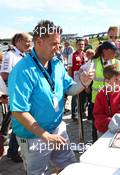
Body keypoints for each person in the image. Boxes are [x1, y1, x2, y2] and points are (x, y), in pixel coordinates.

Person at [8, 20, 94, 174]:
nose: (58, 48)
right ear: (39, 42)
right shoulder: (23, 70)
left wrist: (82, 83)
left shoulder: (56, 63)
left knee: (69, 167)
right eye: (54, 44)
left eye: (59, 44)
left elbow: (70, 89)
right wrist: (45, 135)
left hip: (57, 129)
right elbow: (19, 112)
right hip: (33, 137)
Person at [80, 41, 120, 142]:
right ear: (104, 51)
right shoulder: (94, 62)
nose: (115, 53)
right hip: (97, 100)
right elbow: (82, 70)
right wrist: (84, 78)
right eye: (113, 51)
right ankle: (95, 144)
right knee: (97, 126)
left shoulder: (117, 62)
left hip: (114, 100)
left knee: (114, 124)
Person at [0, 33, 32, 163]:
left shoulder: (22, 55)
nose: (29, 44)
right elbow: (5, 75)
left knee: (20, 122)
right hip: (16, 96)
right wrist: (11, 94)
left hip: (23, 95)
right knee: (20, 122)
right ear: (19, 41)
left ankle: (13, 151)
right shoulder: (10, 55)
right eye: (27, 41)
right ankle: (13, 152)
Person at [93, 64, 120, 136]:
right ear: (108, 81)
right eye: (116, 79)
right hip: (104, 130)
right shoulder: (101, 95)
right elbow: (98, 115)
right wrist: (112, 121)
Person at [68, 38, 88, 121]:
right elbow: (70, 68)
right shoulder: (72, 55)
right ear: (76, 45)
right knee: (75, 97)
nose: (81, 46)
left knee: (84, 96)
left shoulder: (85, 54)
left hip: (84, 79)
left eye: (83, 44)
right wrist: (70, 80)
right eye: (79, 44)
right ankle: (74, 115)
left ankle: (82, 112)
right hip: (75, 79)